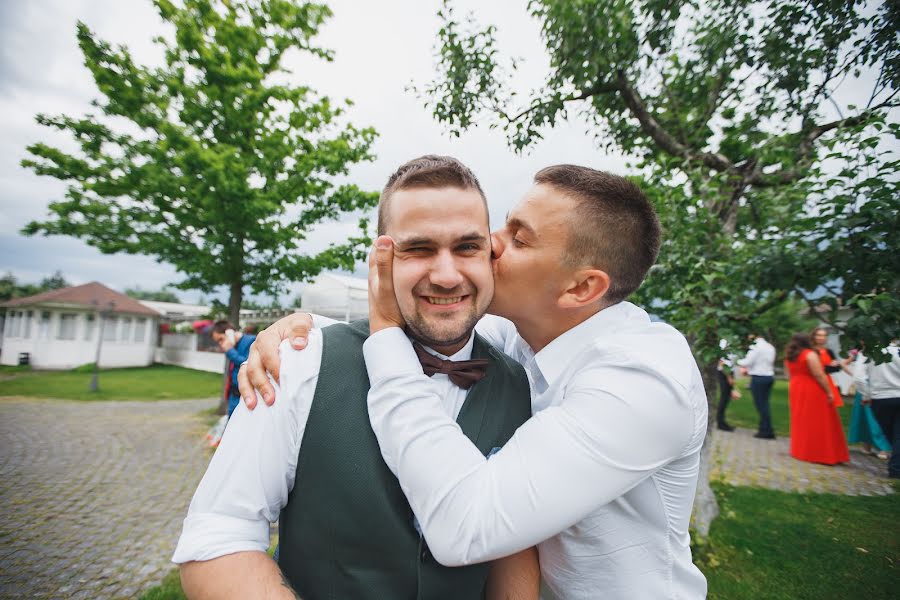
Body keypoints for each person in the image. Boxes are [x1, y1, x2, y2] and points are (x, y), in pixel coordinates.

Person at [242, 165, 709, 599]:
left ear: (580, 289)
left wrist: (383, 335)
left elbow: (465, 527)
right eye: (504, 224)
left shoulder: (644, 383)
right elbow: (434, 320)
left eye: (519, 240)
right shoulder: (529, 329)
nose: (491, 243)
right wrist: (301, 332)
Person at [173, 156, 539, 600]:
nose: (446, 275)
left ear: (490, 255)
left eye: (467, 248)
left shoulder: (521, 381)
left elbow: (513, 542)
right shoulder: (300, 362)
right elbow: (218, 535)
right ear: (381, 258)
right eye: (419, 248)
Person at [784, 333, 849, 465]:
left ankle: (801, 450)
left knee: (801, 419)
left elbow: (788, 375)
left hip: (796, 387)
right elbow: (819, 374)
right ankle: (820, 453)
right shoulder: (810, 354)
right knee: (819, 420)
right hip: (811, 388)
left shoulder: (790, 356)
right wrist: (829, 391)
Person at [854, 341, 900, 478]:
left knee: (890, 433)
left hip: (880, 397)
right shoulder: (898, 350)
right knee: (897, 435)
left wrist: (867, 395)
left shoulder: (868, 351)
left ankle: (896, 469)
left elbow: (859, 378)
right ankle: (896, 467)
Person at [848, 349, 891, 459]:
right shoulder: (865, 351)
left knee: (873, 418)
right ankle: (871, 446)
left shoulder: (881, 350)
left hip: (872, 386)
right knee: (869, 418)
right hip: (868, 387)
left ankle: (880, 447)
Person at [210, 320, 256, 418]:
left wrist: (231, 351)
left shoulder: (251, 341)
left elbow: (250, 364)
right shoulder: (233, 346)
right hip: (233, 395)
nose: (221, 344)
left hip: (246, 396)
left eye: (221, 339)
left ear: (229, 333)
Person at [737, 333, 777, 439]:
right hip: (769, 377)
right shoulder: (770, 346)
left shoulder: (755, 346)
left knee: (761, 405)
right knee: (765, 404)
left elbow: (747, 362)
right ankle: (765, 428)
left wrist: (734, 361)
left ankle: (766, 431)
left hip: (758, 378)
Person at [810, 326, 847, 407]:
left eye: (824, 335)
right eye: (819, 335)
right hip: (813, 383)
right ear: (813, 336)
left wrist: (825, 367)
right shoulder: (810, 351)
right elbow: (811, 370)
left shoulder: (829, 351)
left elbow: (837, 368)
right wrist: (828, 367)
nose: (821, 338)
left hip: (827, 382)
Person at [717, 357, 738, 431]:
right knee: (724, 399)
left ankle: (722, 422)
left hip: (728, 373)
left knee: (726, 398)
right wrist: (729, 377)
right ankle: (721, 423)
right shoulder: (724, 345)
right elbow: (722, 362)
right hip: (725, 373)